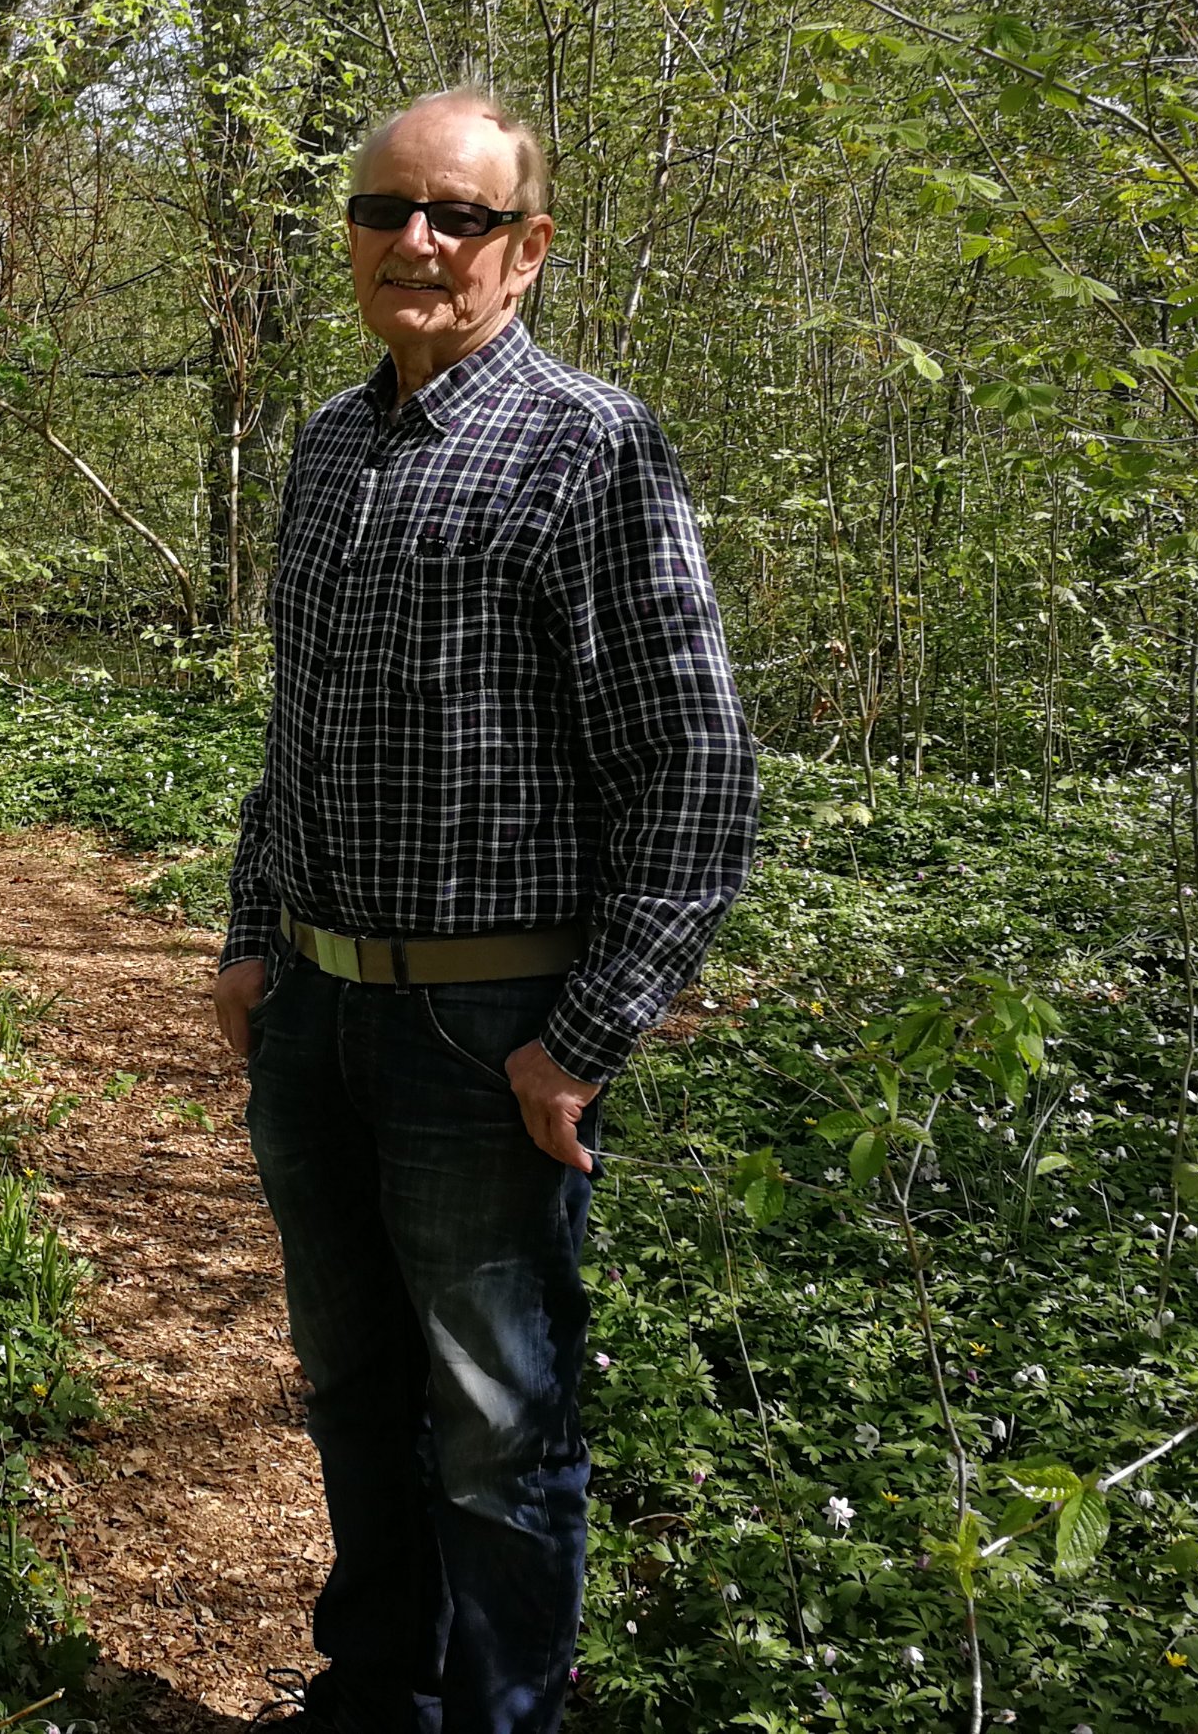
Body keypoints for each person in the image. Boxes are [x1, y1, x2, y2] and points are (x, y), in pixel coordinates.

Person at [212, 89, 757, 1734]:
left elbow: (695, 767)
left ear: (527, 249)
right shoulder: (329, 443)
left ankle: (502, 1713)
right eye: (385, 210)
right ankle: (375, 1692)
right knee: (353, 1388)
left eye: (458, 214)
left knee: (496, 1424)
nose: (416, 241)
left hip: (487, 1028)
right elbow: (299, 726)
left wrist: (579, 1040)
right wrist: (251, 938)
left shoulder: (590, 447)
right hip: (318, 1010)